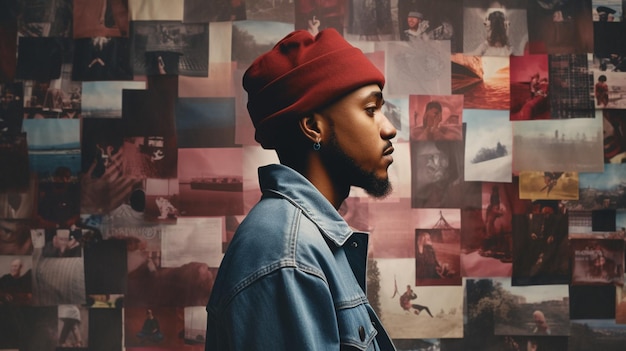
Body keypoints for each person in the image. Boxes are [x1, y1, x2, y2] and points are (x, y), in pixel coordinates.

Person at [205, 29, 397, 350]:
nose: (389, 128)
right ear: (313, 127)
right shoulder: (288, 257)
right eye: (370, 110)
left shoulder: (305, 241)